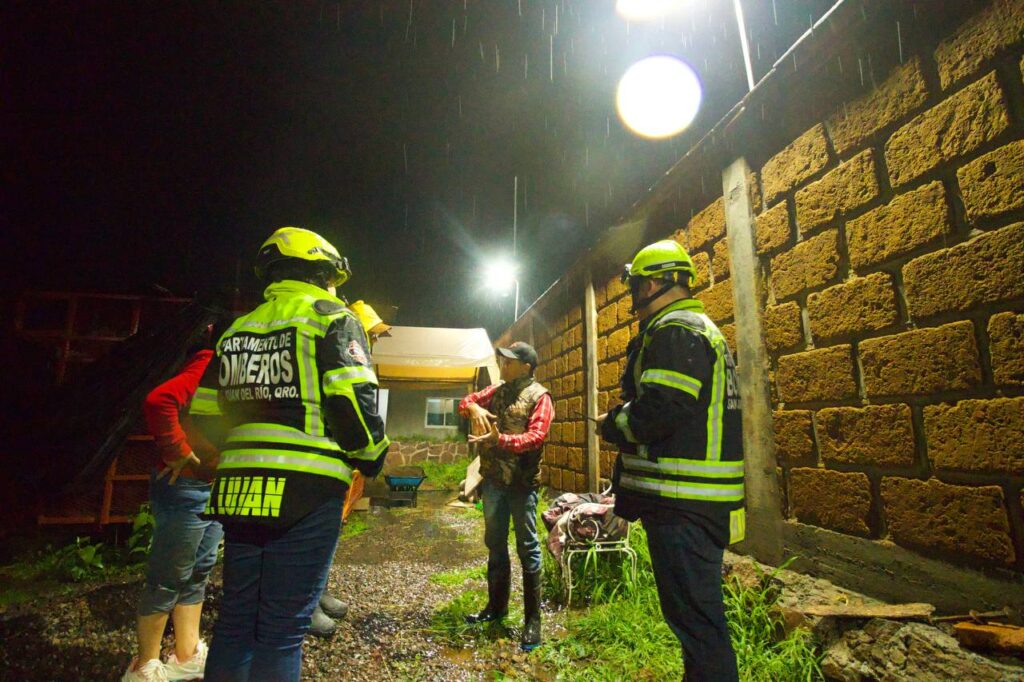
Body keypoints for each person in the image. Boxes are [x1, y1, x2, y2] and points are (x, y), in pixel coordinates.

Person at [189, 227, 389, 682]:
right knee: (283, 629)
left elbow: (202, 412)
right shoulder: (330, 316)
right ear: (323, 272)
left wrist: (244, 450)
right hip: (306, 489)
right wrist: (372, 456)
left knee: (237, 621)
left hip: (238, 489)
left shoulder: (237, 327)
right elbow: (352, 401)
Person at [598, 239, 744, 682]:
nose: (633, 296)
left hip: (685, 506)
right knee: (694, 625)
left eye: (637, 285)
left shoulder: (676, 330)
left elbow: (661, 411)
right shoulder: (689, 329)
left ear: (657, 282)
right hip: (686, 504)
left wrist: (612, 422)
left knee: (699, 628)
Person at [122, 322, 227, 682]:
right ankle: (145, 666)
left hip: (210, 486)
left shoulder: (223, 365)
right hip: (185, 487)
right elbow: (159, 400)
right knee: (169, 576)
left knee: (199, 571)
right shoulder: (208, 362)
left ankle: (187, 654)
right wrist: (177, 450)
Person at [459, 341, 553, 651]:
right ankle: (496, 607)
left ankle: (532, 622)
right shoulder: (498, 389)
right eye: (503, 359)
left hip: (521, 485)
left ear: (526, 366)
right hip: (494, 483)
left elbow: (536, 437)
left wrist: (501, 440)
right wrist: (472, 406)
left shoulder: (540, 397)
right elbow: (467, 401)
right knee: (495, 544)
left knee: (528, 548)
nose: (504, 364)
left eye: (510, 361)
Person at [309, 300, 392, 638]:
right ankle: (307, 604)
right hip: (326, 460)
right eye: (372, 331)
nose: (375, 338)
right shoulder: (341, 345)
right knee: (314, 536)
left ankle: (318, 592)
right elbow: (350, 402)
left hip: (345, 464)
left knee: (331, 532)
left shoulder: (359, 350)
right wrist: (372, 453)